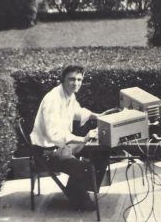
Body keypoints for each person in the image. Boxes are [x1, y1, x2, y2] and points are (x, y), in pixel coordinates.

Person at [30, 64, 109, 211]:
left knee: (102, 151)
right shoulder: (52, 100)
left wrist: (97, 116)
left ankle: (78, 191)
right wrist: (83, 139)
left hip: (60, 147)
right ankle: (77, 194)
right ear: (63, 80)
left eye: (79, 80)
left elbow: (77, 111)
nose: (76, 83)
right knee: (86, 168)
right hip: (47, 152)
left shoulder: (68, 94)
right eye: (72, 79)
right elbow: (54, 134)